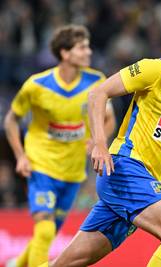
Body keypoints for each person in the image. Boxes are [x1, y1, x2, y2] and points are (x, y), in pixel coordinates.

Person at [41, 9, 161, 267]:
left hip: (147, 187)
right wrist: (99, 144)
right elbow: (98, 94)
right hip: (124, 168)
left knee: (66, 263)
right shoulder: (156, 71)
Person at [4, 24, 116, 267]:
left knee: (48, 233)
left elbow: (110, 120)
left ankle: (16, 264)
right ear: (65, 53)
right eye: (82, 47)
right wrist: (21, 156)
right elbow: (11, 120)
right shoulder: (37, 84)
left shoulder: (97, 82)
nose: (89, 52)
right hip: (41, 165)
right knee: (44, 230)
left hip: (73, 171)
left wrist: (98, 141)